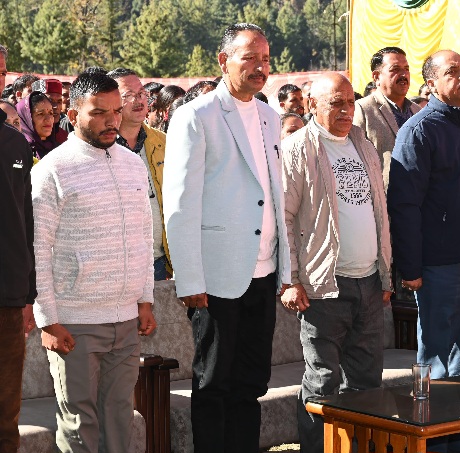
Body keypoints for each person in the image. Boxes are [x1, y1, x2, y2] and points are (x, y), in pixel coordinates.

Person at [163, 23, 292, 452]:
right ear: (223, 61)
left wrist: (285, 270)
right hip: (216, 276)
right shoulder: (196, 116)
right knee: (214, 381)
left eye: (266, 59)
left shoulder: (270, 117)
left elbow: (273, 194)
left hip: (263, 272)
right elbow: (180, 204)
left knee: (251, 382)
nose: (260, 67)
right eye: (249, 57)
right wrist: (190, 279)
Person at [31, 71, 157, 452]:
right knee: (79, 426)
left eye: (116, 111)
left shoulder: (133, 165)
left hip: (126, 320)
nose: (111, 121)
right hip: (74, 323)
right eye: (99, 113)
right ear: (72, 115)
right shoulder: (52, 170)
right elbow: (38, 248)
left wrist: (145, 299)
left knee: (120, 419)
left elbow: (144, 236)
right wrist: (48, 319)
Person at [282, 72, 392, 453]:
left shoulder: (363, 144)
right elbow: (284, 218)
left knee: (367, 383)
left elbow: (380, 212)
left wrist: (385, 275)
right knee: (322, 382)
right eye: (336, 104)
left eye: (350, 102)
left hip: (368, 283)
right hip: (323, 286)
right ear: (312, 104)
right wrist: (290, 279)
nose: (346, 111)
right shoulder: (297, 148)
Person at [388, 46, 460, 392]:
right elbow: (404, 204)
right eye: (451, 72)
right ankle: (436, 424)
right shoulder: (419, 129)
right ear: (431, 84)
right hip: (439, 263)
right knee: (439, 353)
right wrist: (410, 267)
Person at [108, 68, 172, 281]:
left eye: (142, 93)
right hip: (117, 265)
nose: (139, 100)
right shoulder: (100, 146)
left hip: (160, 261)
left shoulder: (164, 143)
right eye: (129, 95)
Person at [0, 99, 36, 453]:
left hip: (9, 299)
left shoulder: (15, 143)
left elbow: (26, 223)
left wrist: (29, 294)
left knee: (6, 420)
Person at [354, 46, 420, 190]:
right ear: (376, 77)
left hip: (418, 195)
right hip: (382, 196)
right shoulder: (362, 109)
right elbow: (354, 159)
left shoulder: (417, 111)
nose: (403, 74)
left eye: (406, 69)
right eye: (395, 69)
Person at [16, 91, 68, 159]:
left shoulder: (61, 150)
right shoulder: (17, 153)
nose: (48, 119)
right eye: (41, 114)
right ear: (27, 118)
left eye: (50, 113)